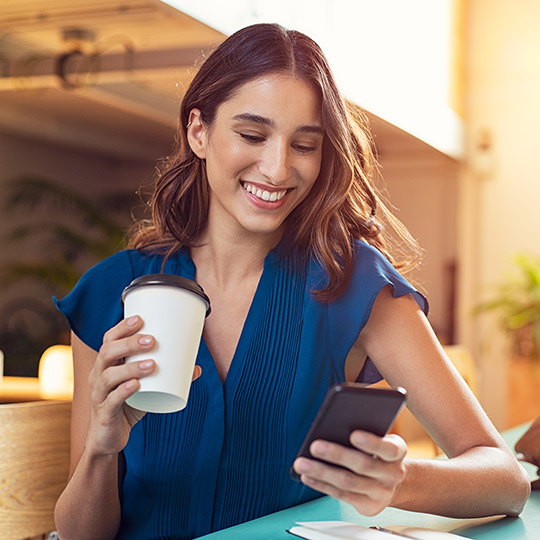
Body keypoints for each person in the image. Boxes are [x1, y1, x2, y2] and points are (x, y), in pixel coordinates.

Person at [53, 23, 530, 540]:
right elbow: (81, 534)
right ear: (199, 131)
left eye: (305, 144)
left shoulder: (354, 285)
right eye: (252, 135)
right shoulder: (110, 292)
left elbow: (505, 480)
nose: (278, 169)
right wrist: (102, 449)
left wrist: (399, 480)